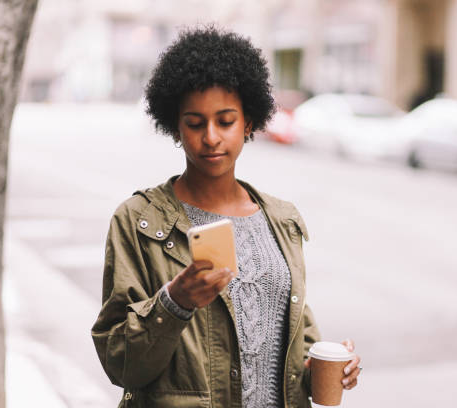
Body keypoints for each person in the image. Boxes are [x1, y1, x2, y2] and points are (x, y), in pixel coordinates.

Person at [91, 26, 361, 408]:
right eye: (196, 123)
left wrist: (335, 367)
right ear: (175, 127)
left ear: (249, 122)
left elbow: (294, 352)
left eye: (226, 120)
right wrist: (174, 302)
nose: (212, 137)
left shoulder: (281, 220)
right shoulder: (137, 221)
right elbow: (120, 364)